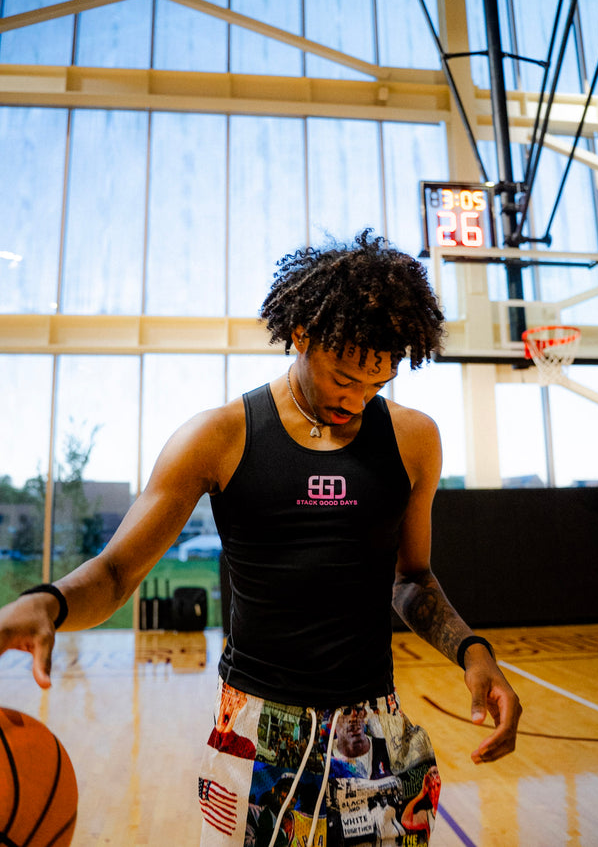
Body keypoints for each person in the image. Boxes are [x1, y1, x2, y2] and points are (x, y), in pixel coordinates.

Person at [0, 230, 522, 847]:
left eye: (375, 386)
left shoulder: (414, 440)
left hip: (371, 725)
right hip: (253, 729)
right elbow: (117, 573)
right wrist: (49, 602)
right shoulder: (218, 437)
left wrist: (474, 653)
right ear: (302, 335)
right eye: (344, 378)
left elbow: (410, 580)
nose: (355, 402)